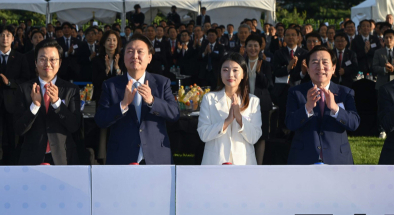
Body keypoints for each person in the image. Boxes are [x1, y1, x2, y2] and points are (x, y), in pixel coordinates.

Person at [95, 34, 180, 165]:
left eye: (140, 52)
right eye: (130, 52)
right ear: (124, 57)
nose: (135, 56)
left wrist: (152, 101)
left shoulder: (162, 83)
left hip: (156, 156)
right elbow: (101, 120)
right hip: (122, 156)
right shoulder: (111, 85)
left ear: (149, 58)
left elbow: (174, 114)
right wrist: (123, 105)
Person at [285, 45, 360, 164]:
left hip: (337, 159)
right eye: (314, 62)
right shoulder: (296, 92)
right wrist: (307, 107)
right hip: (303, 159)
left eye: (325, 62)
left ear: (333, 68)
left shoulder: (345, 92)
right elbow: (290, 124)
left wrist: (335, 108)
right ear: (308, 69)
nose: (320, 67)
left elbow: (354, 123)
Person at [14, 40, 81, 165]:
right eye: (43, 59)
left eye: (52, 60)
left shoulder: (71, 90)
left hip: (63, 157)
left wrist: (57, 103)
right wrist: (35, 106)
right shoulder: (24, 89)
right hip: (32, 157)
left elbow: (74, 126)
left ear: (60, 63)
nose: (47, 64)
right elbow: (19, 129)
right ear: (35, 62)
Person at [197, 53, 262, 165]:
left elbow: (254, 137)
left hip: (243, 163)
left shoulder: (253, 101)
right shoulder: (209, 98)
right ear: (220, 73)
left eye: (235, 70)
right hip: (216, 163)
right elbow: (203, 134)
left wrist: (239, 118)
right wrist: (226, 121)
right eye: (225, 70)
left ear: (243, 74)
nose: (230, 74)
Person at [0, 25, 31, 165]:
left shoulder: (20, 57)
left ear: (13, 38)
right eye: (2, 35)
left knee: (13, 139)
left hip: (14, 105)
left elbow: (26, 80)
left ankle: (13, 165)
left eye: (8, 35)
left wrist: (10, 83)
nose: (5, 37)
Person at [242, 34, 273, 164]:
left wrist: (259, 73)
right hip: (244, 103)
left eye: (256, 46)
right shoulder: (241, 63)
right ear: (245, 47)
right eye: (250, 45)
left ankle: (258, 165)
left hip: (262, 104)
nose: (253, 48)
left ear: (260, 47)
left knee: (261, 136)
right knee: (245, 133)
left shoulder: (265, 64)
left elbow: (268, 84)